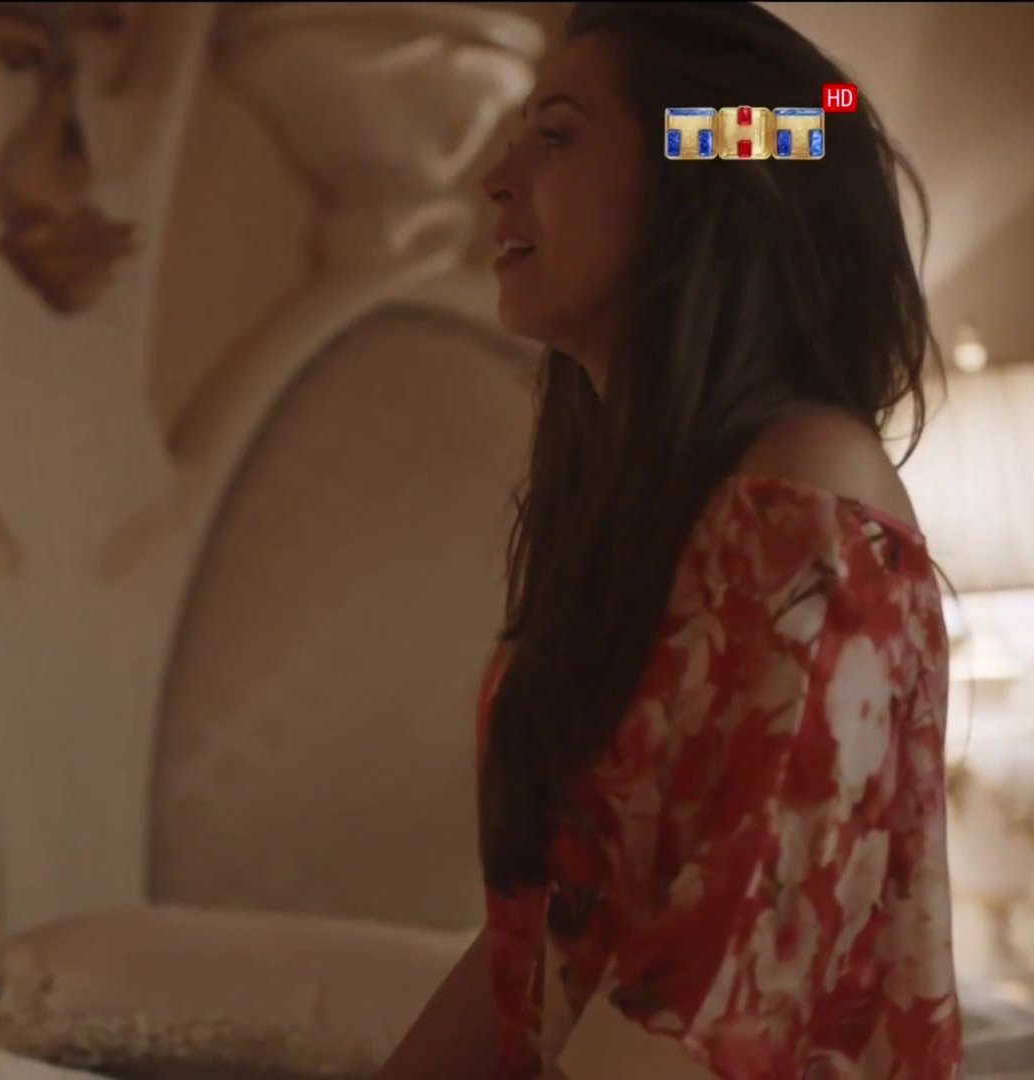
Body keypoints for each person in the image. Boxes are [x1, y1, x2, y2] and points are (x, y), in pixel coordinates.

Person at [380, 4, 960, 1077]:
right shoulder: (636, 519)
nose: (495, 179)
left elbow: (728, 981)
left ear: (695, 183)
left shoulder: (810, 495)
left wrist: (787, 119)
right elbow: (550, 939)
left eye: (556, 135)